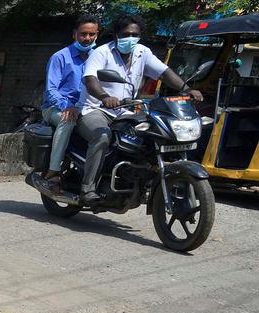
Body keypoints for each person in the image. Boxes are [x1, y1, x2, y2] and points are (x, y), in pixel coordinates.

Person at [77, 14, 203, 203]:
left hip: (126, 111)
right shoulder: (101, 53)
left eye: (134, 34)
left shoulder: (142, 52)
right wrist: (105, 97)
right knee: (102, 136)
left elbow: (164, 73)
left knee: (152, 135)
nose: (130, 38)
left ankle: (141, 178)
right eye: (125, 34)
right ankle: (88, 188)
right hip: (96, 109)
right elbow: (90, 80)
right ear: (116, 36)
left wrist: (186, 89)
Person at [41, 14, 100, 190]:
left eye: (91, 34)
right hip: (56, 107)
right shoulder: (60, 57)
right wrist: (67, 106)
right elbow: (51, 90)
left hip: (88, 107)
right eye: (83, 34)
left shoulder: (99, 57)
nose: (87, 38)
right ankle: (53, 171)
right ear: (74, 34)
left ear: (97, 35)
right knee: (68, 120)